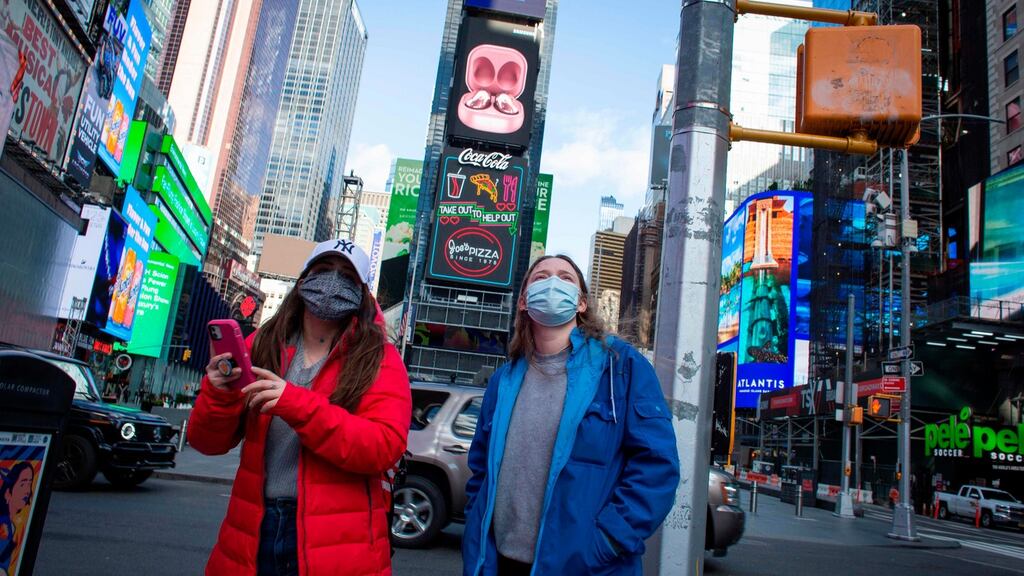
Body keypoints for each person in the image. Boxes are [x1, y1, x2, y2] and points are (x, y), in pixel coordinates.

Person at [189, 240, 412, 576]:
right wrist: (219, 394)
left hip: (338, 544)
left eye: (347, 277)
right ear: (303, 280)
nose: (332, 283)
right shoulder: (261, 344)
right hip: (254, 530)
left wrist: (295, 403)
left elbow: (383, 446)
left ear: (363, 293)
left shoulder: (380, 360)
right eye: (323, 271)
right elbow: (208, 442)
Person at [462, 255, 680, 576]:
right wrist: (475, 528)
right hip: (500, 563)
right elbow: (480, 471)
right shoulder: (502, 382)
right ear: (523, 301)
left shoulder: (622, 368)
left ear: (581, 303)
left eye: (565, 278)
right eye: (540, 277)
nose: (552, 283)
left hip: (584, 566)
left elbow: (657, 468)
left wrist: (605, 542)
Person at [0, 462, 35, 576]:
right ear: (7, 493)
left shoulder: (11, 526)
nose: (27, 490)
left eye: (29, 484)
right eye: (22, 484)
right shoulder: (3, 526)